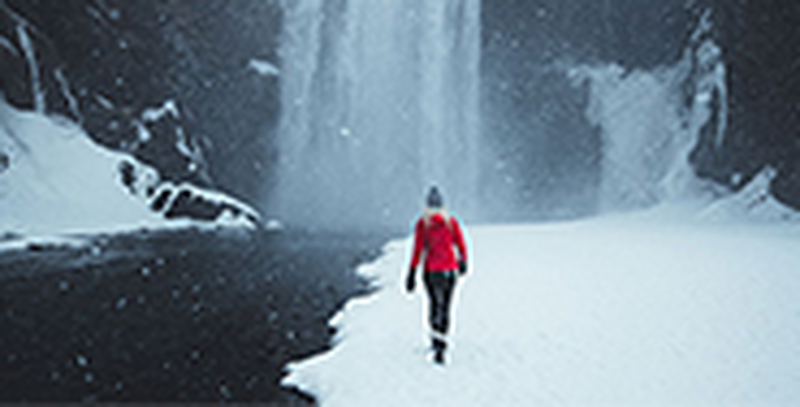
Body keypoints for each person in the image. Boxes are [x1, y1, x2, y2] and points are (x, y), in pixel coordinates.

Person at [405, 186, 469, 365]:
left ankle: (436, 342)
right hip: (450, 271)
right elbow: (461, 243)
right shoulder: (451, 222)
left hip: (432, 271)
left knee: (434, 306)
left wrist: (411, 272)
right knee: (447, 307)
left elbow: (418, 250)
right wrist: (463, 261)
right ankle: (443, 342)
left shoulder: (423, 224)